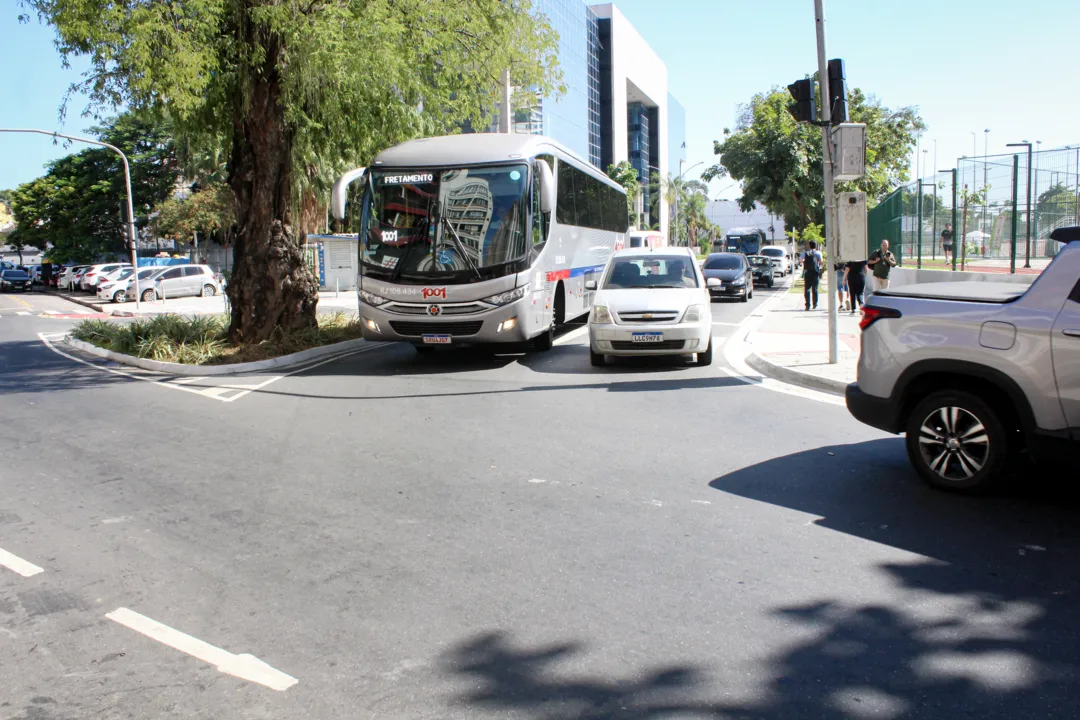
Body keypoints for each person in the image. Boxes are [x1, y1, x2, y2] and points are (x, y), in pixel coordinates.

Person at [801, 241, 823, 310]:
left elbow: (800, 259)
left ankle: (807, 305)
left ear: (809, 246)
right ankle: (815, 304)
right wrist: (820, 268)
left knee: (807, 288)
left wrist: (805, 263)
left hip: (807, 272)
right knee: (815, 289)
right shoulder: (818, 253)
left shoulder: (805, 252)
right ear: (815, 246)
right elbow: (821, 262)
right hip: (815, 272)